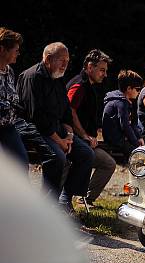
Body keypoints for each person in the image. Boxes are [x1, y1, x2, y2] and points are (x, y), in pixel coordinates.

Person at [16, 42, 94, 212]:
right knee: (57, 157)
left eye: (67, 60)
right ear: (48, 59)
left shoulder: (58, 76)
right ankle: (45, 208)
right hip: (32, 128)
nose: (65, 64)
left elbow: (66, 108)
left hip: (57, 128)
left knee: (86, 154)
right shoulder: (32, 77)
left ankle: (65, 199)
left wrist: (69, 134)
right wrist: (59, 141)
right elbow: (36, 116)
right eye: (62, 60)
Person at [67, 49, 116, 205]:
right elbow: (69, 111)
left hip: (84, 140)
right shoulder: (79, 85)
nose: (105, 74)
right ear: (89, 67)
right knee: (107, 163)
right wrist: (84, 136)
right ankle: (71, 200)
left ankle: (86, 199)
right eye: (102, 70)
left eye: (105, 71)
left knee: (108, 163)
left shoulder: (88, 85)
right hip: (72, 139)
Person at [0, 27, 27, 168]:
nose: (18, 53)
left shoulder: (9, 71)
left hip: (8, 127)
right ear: (2, 49)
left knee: (21, 163)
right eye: (16, 50)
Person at [102, 70, 144, 159]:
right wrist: (136, 144)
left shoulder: (125, 101)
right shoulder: (121, 103)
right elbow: (125, 126)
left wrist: (139, 138)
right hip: (115, 139)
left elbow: (133, 124)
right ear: (129, 89)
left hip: (120, 137)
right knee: (141, 157)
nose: (139, 92)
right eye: (138, 89)